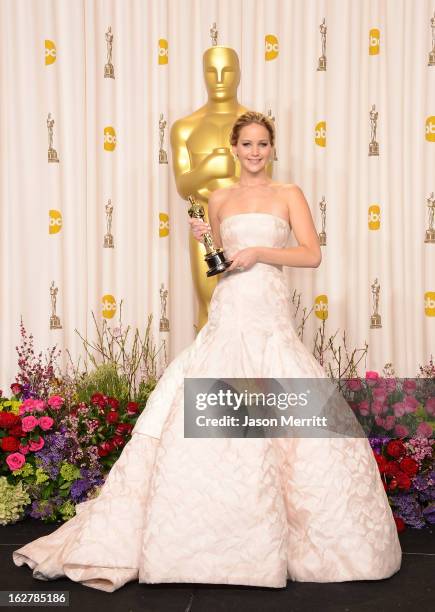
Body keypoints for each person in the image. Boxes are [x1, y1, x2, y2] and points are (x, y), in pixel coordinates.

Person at [12, 112, 401, 592]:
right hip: (231, 307)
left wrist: (260, 252)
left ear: (271, 148)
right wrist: (207, 243)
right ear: (234, 149)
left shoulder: (288, 194)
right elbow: (224, 264)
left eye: (263, 143)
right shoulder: (218, 197)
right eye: (247, 144)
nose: (255, 151)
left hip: (270, 309)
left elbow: (310, 254)